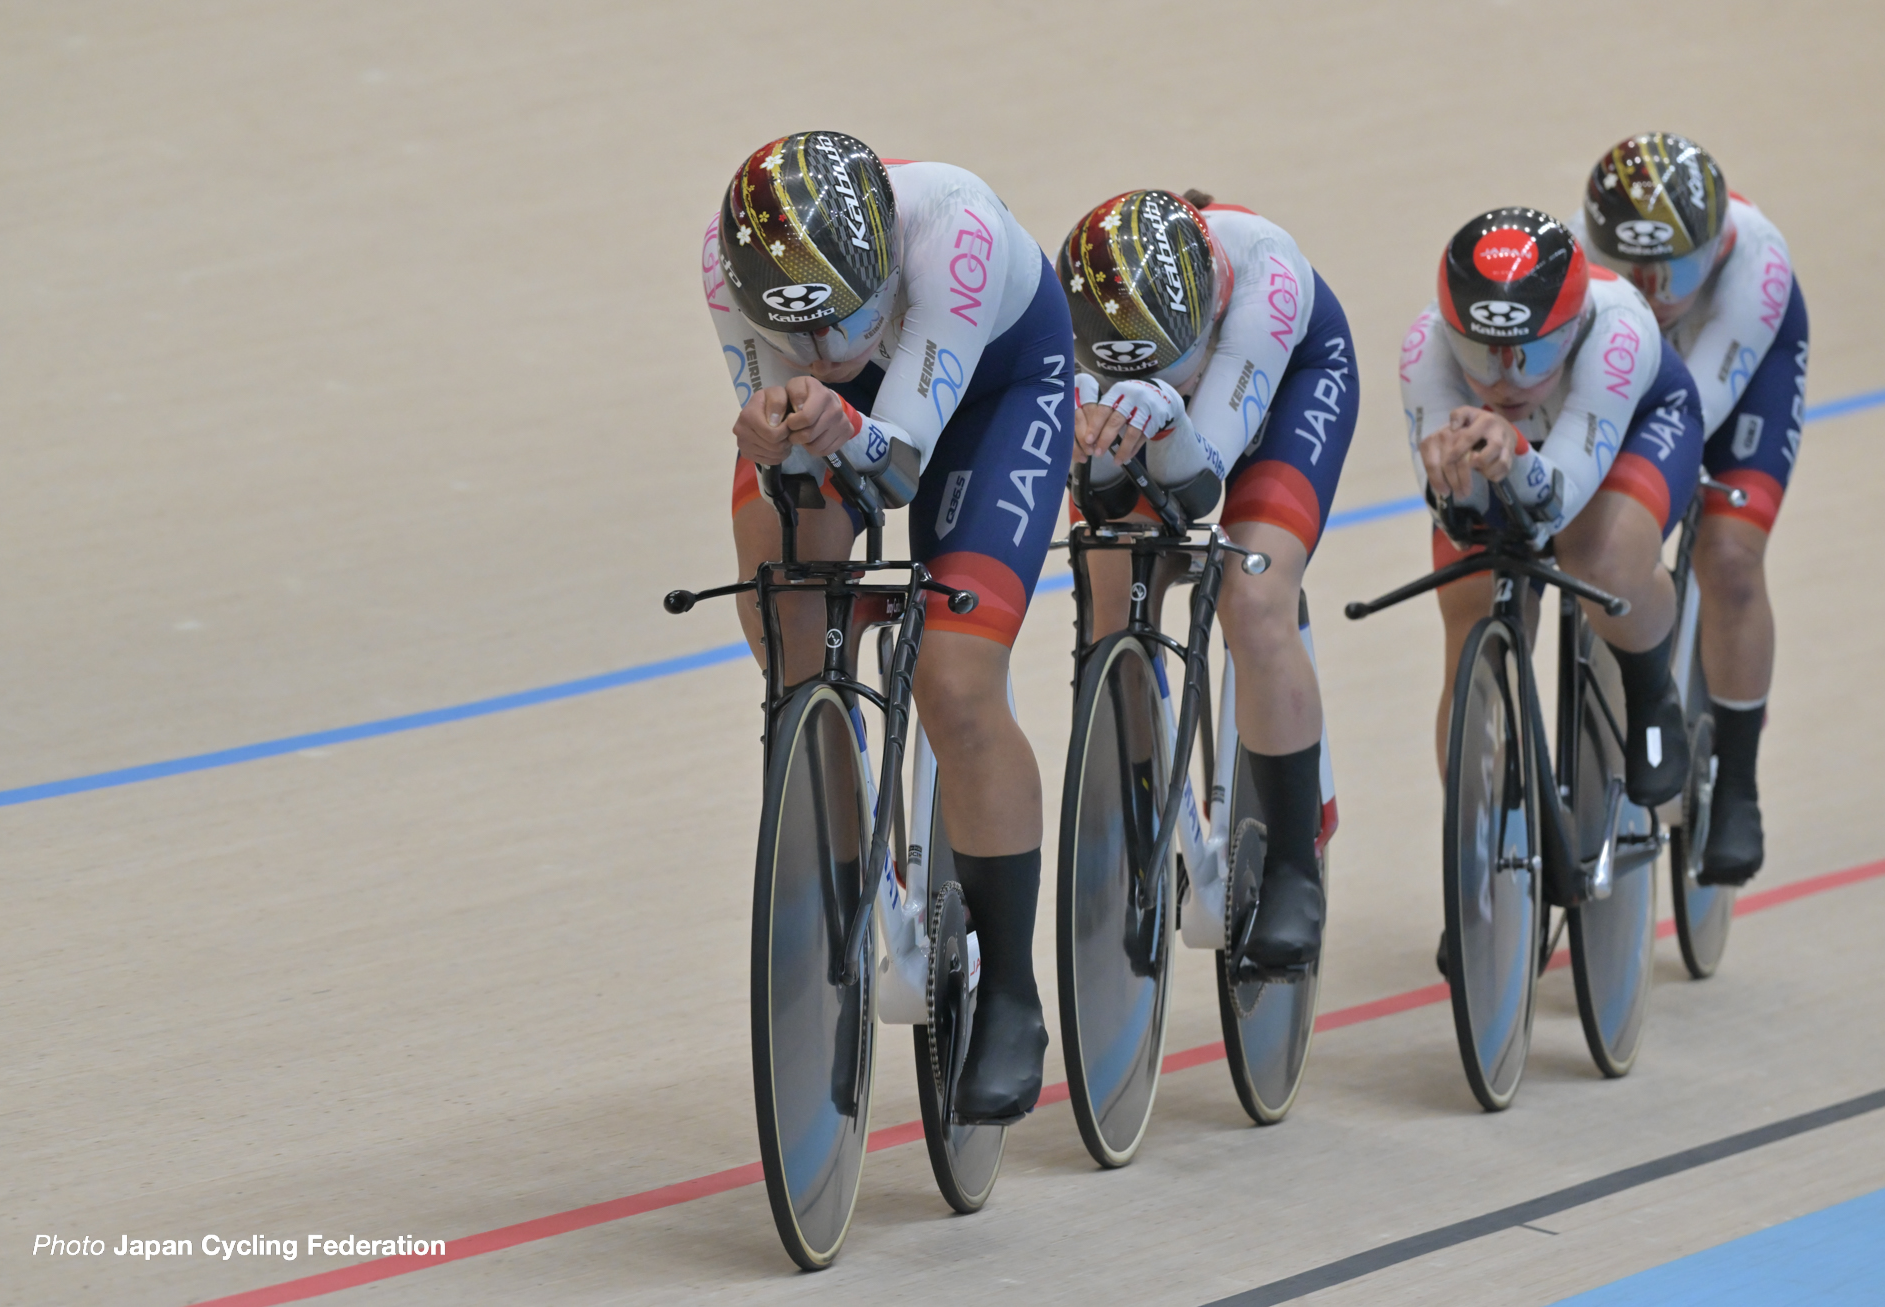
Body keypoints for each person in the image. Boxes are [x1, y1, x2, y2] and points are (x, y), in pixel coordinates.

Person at [702, 131, 1070, 1124]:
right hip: (849, 415)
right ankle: (842, 844)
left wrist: (839, 420)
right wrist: (774, 431)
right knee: (787, 605)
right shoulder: (723, 264)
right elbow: (792, 451)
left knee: (954, 681)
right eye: (800, 331)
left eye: (841, 317)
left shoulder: (957, 233)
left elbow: (895, 466)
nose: (824, 346)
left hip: (991, 385)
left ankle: (1009, 993)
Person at [1059, 188, 1357, 974]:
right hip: (1156, 402)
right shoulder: (1077, 312)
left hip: (1285, 385)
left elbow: (1198, 484)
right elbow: (1106, 494)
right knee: (1111, 584)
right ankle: (1141, 815)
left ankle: (1294, 864)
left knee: (1253, 595)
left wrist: (1162, 409)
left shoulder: (1265, 282)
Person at [1402, 207, 1705, 826]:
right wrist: (1465, 482)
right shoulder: (1424, 346)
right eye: (1478, 353)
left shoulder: (1615, 330)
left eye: (1531, 354)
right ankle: (1476, 860)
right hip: (1510, 452)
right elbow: (1458, 514)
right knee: (1469, 620)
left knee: (1599, 562)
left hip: (1627, 431)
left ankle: (1651, 693)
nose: (1504, 379)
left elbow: (1556, 502)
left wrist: (1511, 450)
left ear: (1570, 331)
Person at [1572, 133, 1803, 886]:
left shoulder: (1754, 265)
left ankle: (1737, 781)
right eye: (1632, 269)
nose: (1655, 288)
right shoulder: (1576, 262)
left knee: (1730, 556)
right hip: (1636, 362)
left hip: (1735, 366)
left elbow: (1691, 417)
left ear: (1719, 242)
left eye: (1674, 269)